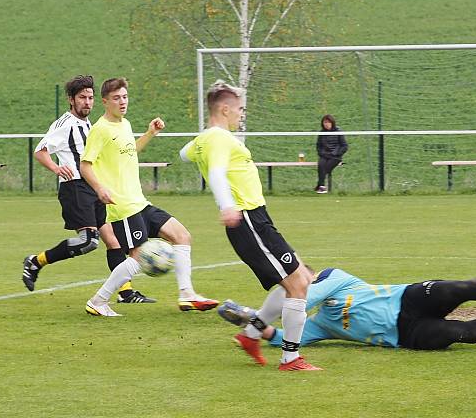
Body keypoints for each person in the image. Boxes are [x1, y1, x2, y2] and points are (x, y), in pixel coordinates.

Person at [180, 80, 321, 371]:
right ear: (225, 108)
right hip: (247, 218)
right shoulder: (218, 137)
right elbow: (217, 173)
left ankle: (252, 334)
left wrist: (200, 146)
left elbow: (184, 153)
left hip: (256, 219)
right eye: (240, 109)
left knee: (302, 276)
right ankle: (291, 358)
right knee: (297, 284)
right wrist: (226, 205)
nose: (241, 115)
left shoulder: (205, 139)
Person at [80, 77, 218, 317]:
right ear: (105, 102)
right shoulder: (100, 129)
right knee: (137, 257)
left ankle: (187, 294)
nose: (122, 102)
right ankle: (98, 300)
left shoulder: (124, 124)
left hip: (140, 202)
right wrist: (100, 189)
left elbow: (129, 151)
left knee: (182, 236)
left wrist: (150, 133)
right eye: (116, 98)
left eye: (125, 97)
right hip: (121, 206)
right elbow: (85, 165)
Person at [21, 75, 153, 304]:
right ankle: (36, 261)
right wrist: (56, 167)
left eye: (90, 97)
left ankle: (126, 292)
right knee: (88, 242)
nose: (87, 102)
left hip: (93, 187)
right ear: (71, 100)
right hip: (75, 188)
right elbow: (40, 151)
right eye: (82, 97)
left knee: (114, 242)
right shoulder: (64, 124)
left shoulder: (90, 125)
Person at [219, 267, 476, 350]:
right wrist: (252, 322)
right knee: (460, 333)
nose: (306, 282)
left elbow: (303, 299)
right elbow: (282, 339)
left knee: (461, 288)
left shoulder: (336, 278)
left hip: (408, 298)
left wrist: (259, 313)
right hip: (405, 334)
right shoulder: (320, 326)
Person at [314, 114, 347, 194]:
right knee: (321, 165)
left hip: (335, 157)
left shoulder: (338, 131)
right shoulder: (321, 133)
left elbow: (344, 146)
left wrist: (337, 153)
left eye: (328, 122)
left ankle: (320, 186)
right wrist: (321, 153)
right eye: (325, 122)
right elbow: (318, 145)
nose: (326, 124)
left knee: (325, 169)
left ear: (332, 122)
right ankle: (322, 187)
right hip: (324, 155)